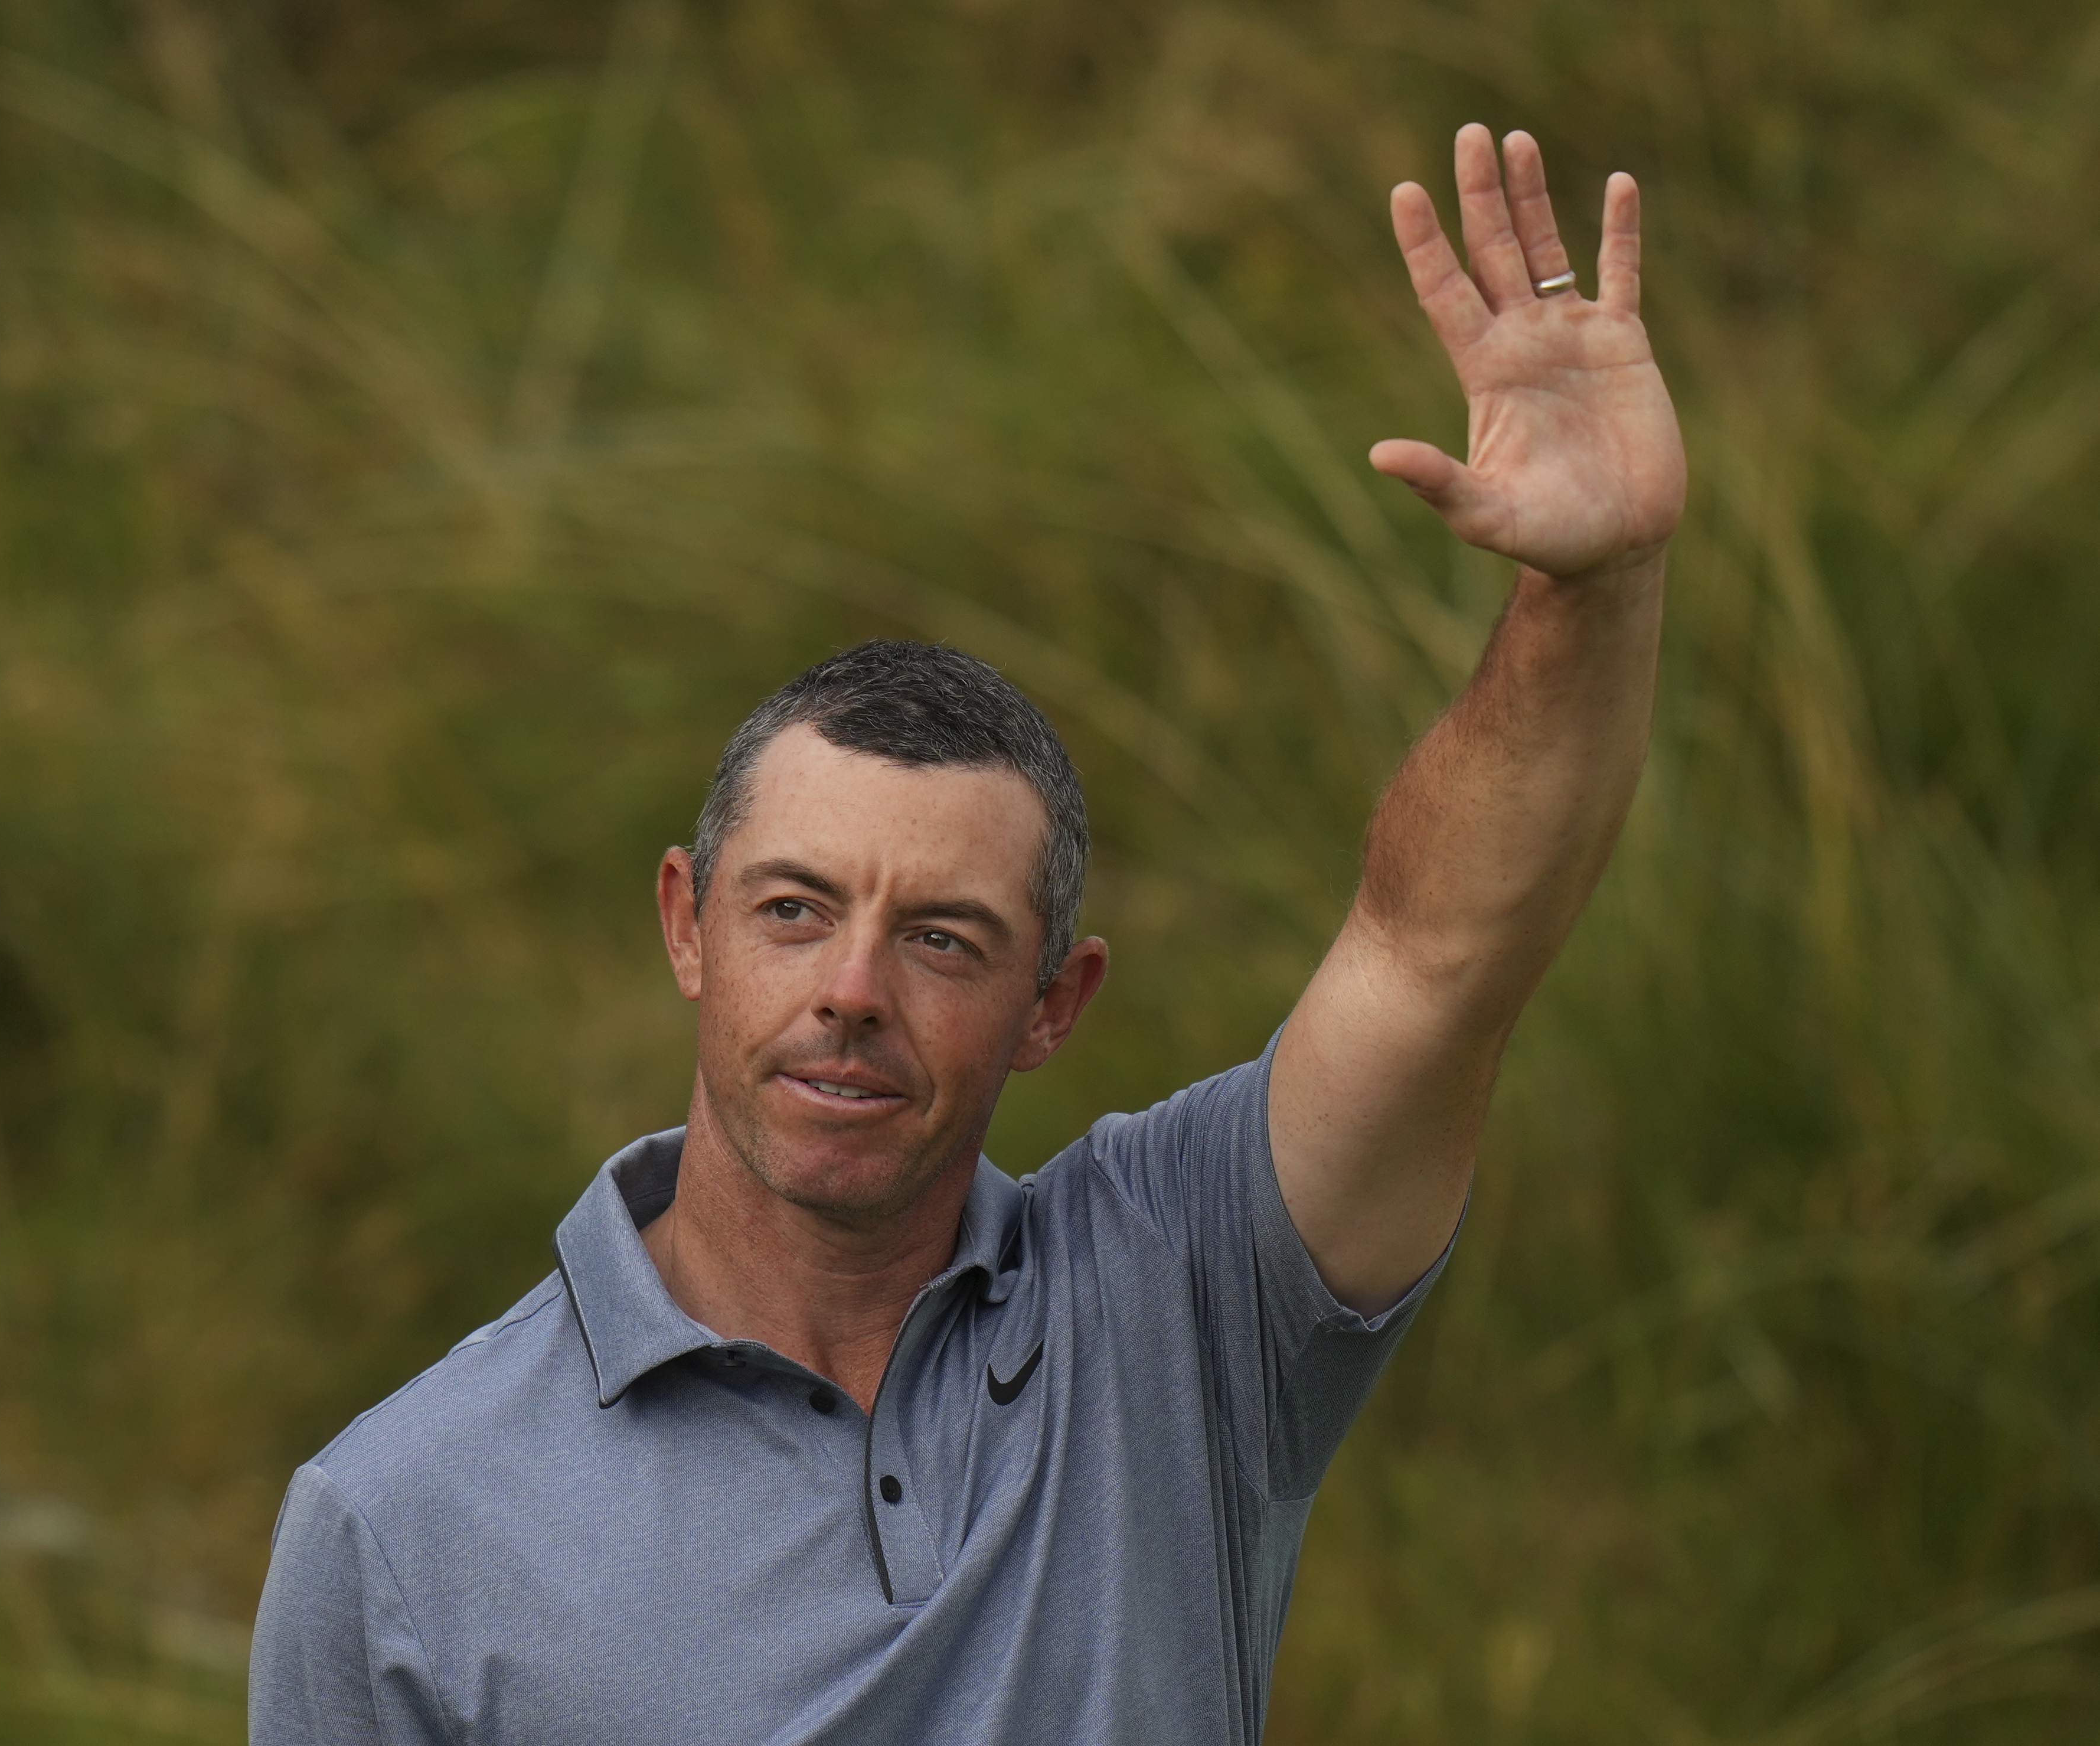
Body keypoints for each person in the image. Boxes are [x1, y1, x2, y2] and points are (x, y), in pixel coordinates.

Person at [248, 123, 1684, 1745]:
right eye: (793, 912)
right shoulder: (398, 1524)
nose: (850, 993)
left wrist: (1594, 586)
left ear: (1053, 1001)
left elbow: (1435, 953)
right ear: (687, 925)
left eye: (940, 939)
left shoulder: (1185, 1292)